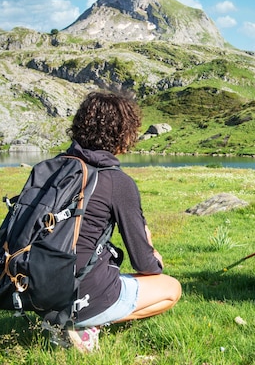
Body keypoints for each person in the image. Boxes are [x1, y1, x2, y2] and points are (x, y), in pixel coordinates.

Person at [62, 90, 181, 352]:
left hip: (29, 289)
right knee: (172, 288)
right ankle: (84, 325)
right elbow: (145, 264)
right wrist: (154, 252)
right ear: (123, 132)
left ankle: (62, 317)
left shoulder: (54, 167)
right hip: (76, 294)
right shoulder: (117, 181)